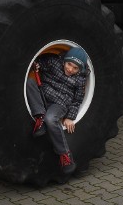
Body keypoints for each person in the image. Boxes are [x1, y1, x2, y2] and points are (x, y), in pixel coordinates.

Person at [26, 46, 89, 174]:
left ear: (80, 69)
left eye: (75, 68)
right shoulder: (54, 62)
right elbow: (41, 62)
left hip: (59, 104)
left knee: (51, 118)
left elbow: (77, 101)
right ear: (64, 60)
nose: (70, 69)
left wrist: (70, 117)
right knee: (29, 83)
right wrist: (37, 65)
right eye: (69, 64)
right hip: (43, 95)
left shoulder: (80, 80)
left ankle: (65, 155)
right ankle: (40, 118)